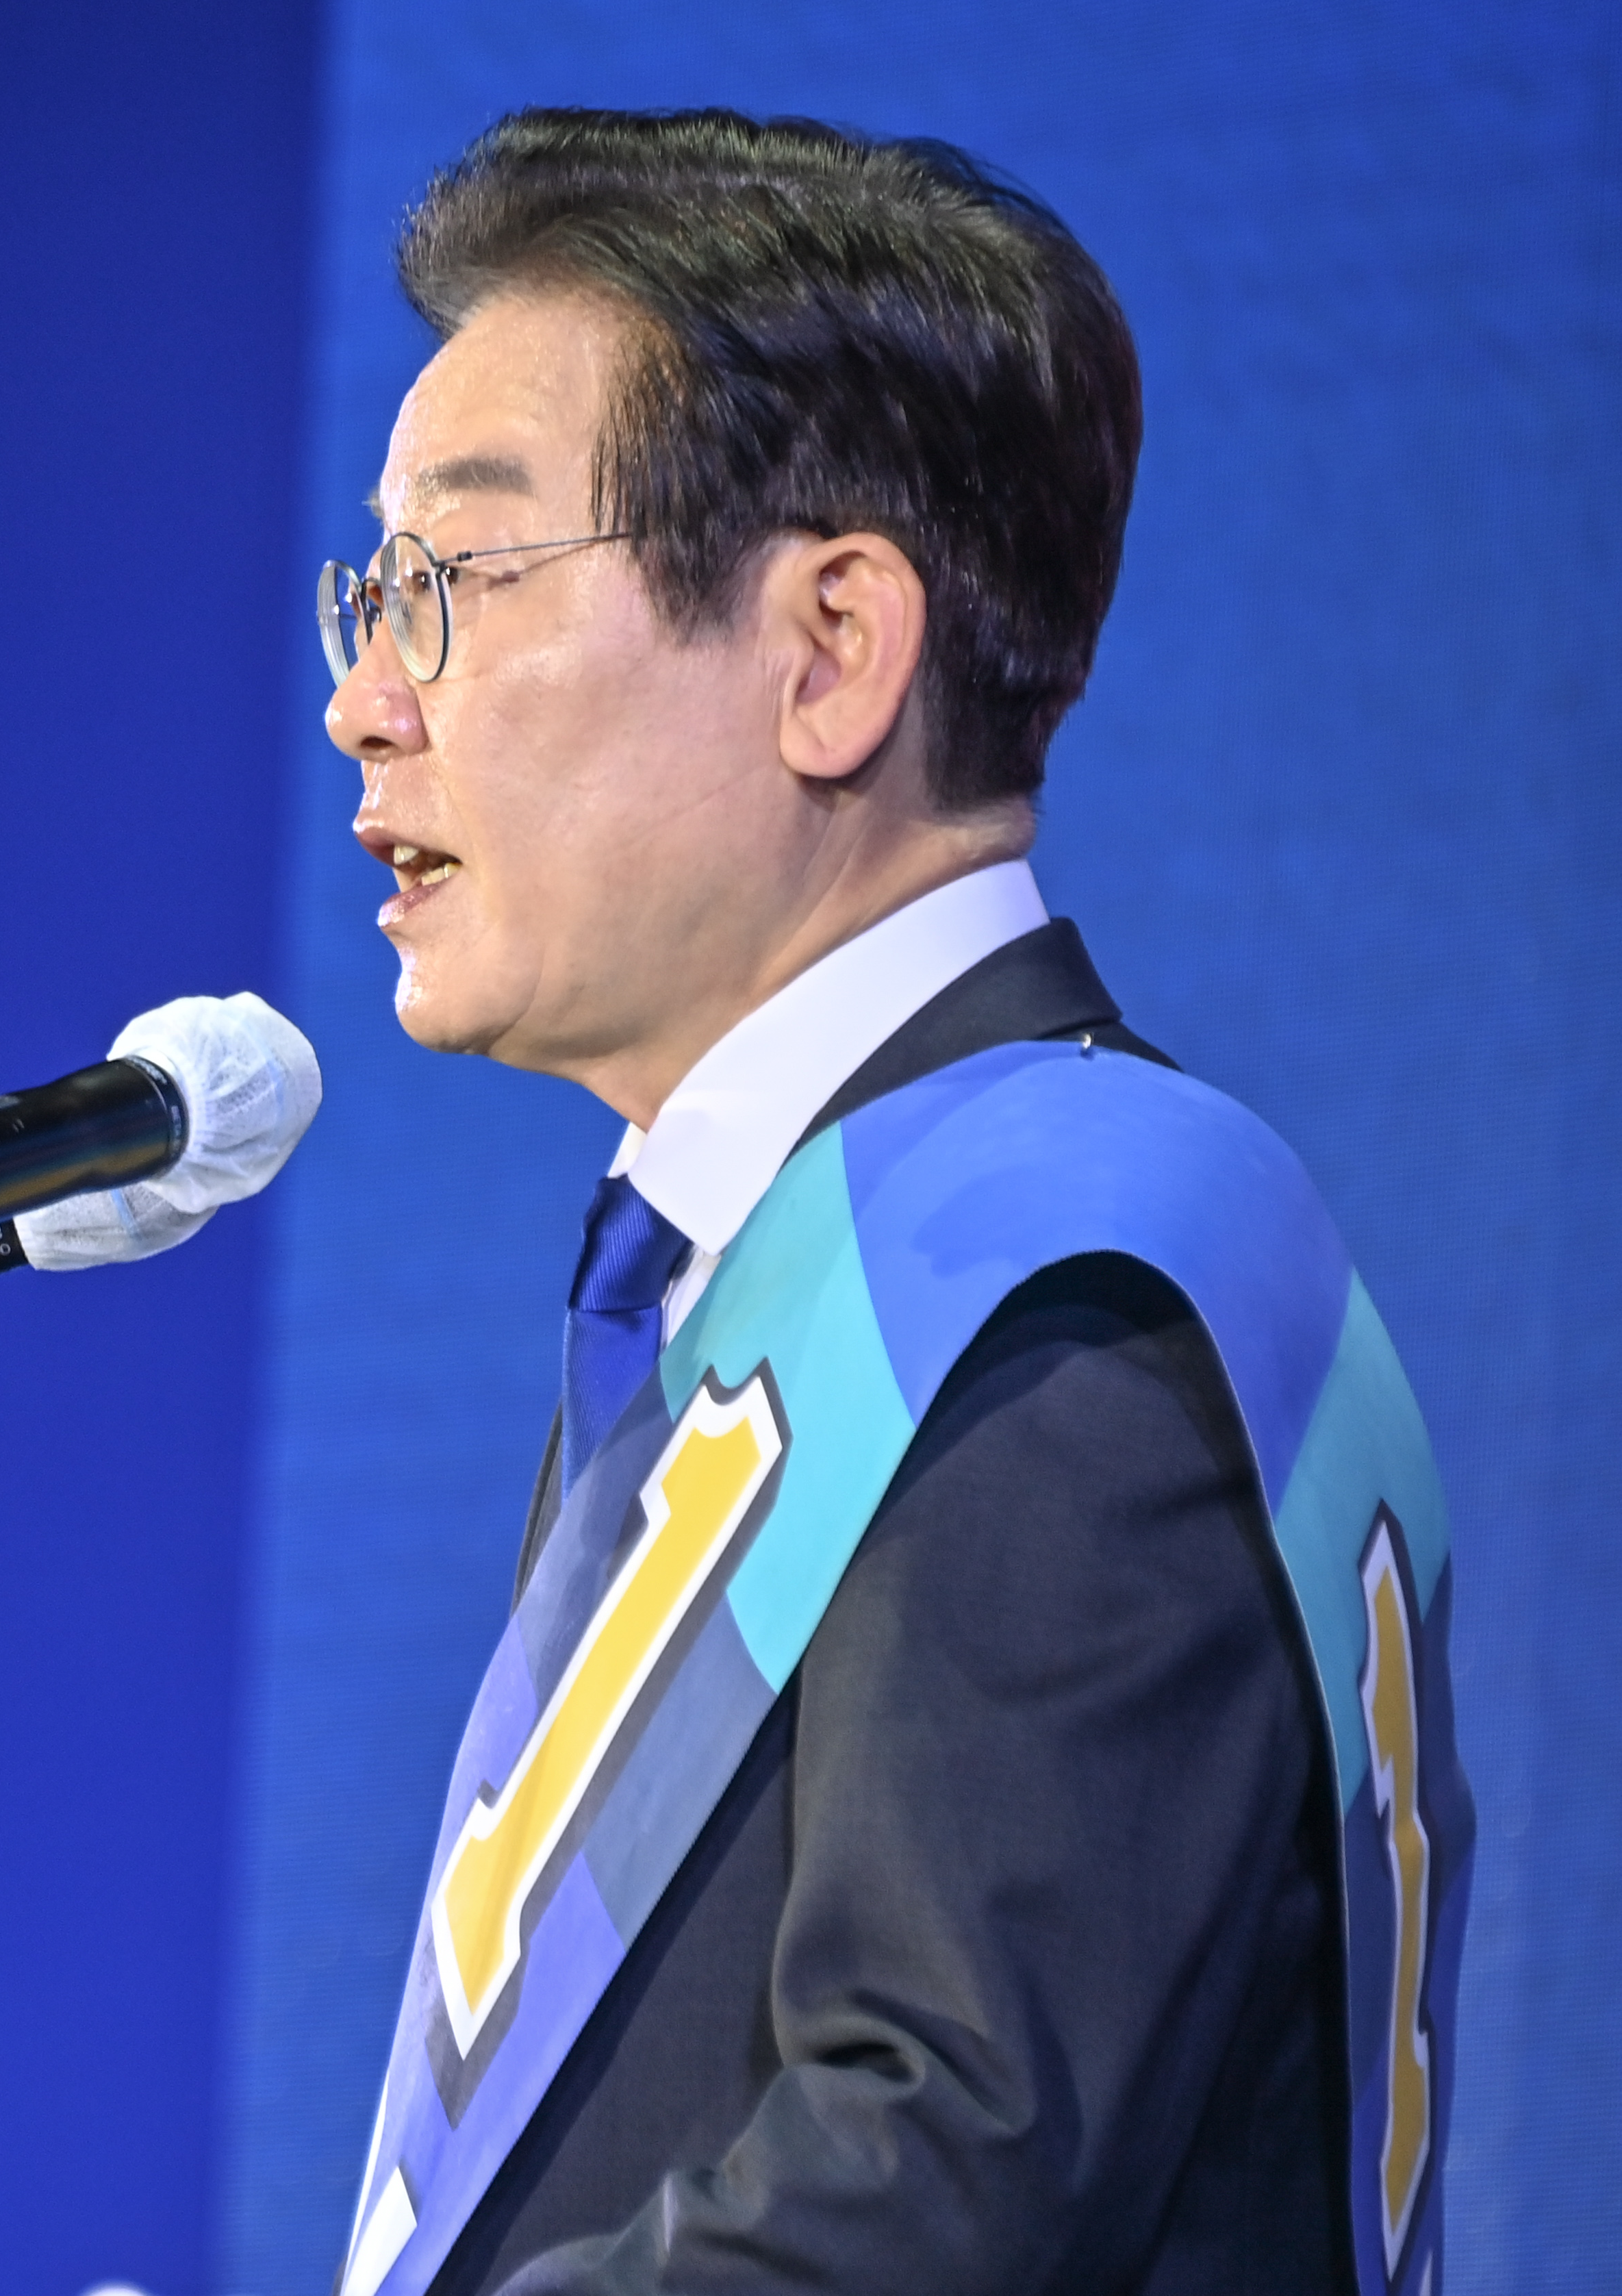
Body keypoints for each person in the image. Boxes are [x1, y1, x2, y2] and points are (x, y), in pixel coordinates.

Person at [318, 111, 1469, 2296]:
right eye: (371, 594)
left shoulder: (1058, 1292)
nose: (362, 700)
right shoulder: (788, 1271)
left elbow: (933, 2195)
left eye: (454, 581)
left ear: (831, 645)